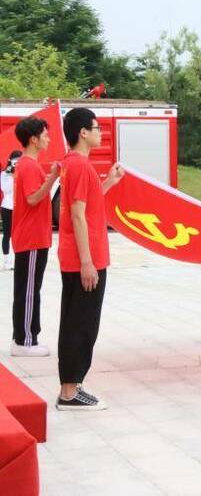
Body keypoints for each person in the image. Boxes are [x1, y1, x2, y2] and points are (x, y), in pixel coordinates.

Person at [56, 107, 125, 410]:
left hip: (79, 255)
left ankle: (72, 385)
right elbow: (77, 215)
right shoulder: (80, 167)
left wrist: (109, 181)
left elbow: (87, 202)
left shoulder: (73, 165)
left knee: (76, 320)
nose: (100, 133)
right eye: (96, 128)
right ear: (82, 132)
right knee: (81, 323)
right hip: (85, 257)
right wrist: (87, 262)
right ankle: (70, 391)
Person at [10, 119, 59, 357]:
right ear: (33, 139)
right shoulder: (28, 165)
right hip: (31, 238)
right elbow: (32, 198)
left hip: (34, 238)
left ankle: (26, 337)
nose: (48, 138)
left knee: (29, 289)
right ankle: (24, 341)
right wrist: (52, 178)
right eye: (45, 135)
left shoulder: (29, 164)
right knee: (28, 291)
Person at [0, 152, 16, 270]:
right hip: (7, 207)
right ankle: (6, 261)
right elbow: (6, 189)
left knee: (18, 235)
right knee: (7, 234)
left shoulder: (22, 172)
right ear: (10, 160)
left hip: (19, 208)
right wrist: (12, 174)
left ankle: (17, 259)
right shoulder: (4, 174)